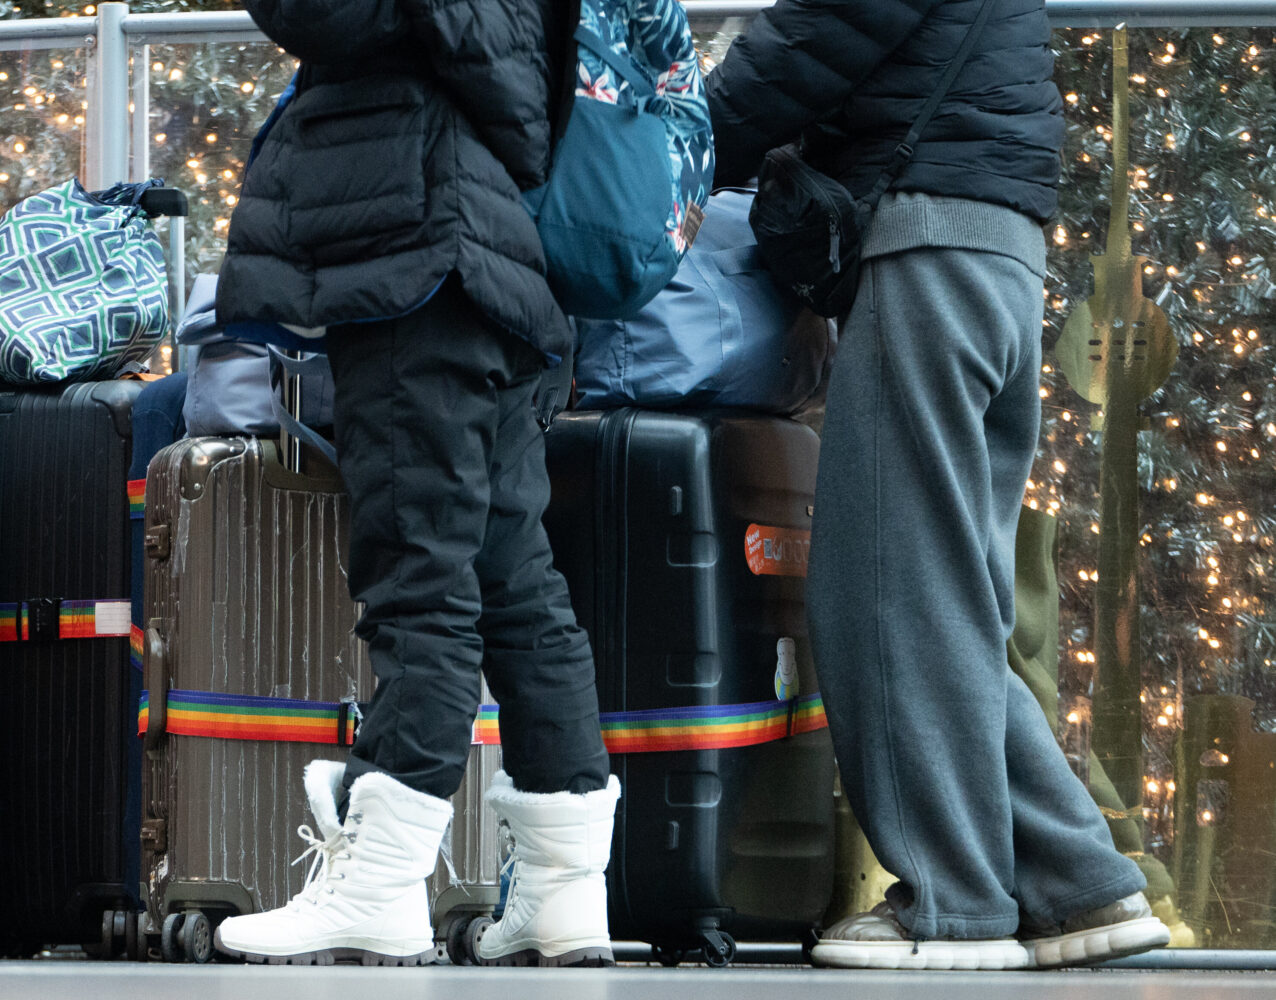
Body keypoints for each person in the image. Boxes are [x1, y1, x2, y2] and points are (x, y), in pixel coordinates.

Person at [708, 0, 1172, 970]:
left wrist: (678, 135)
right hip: (990, 250)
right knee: (944, 599)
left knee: (886, 596)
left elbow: (817, 35)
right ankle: (1079, 881)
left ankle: (952, 902)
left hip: (931, 248)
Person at [207, 0, 619, 969]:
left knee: (417, 570)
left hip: (415, 250)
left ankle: (380, 887)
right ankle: (565, 894)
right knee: (513, 579)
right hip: (497, 258)